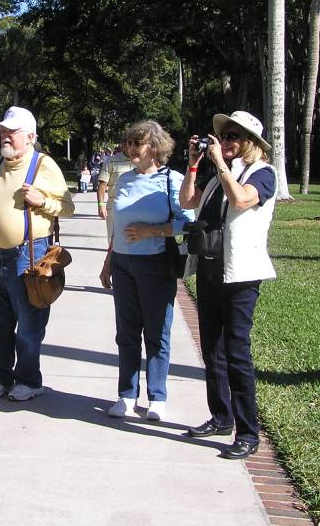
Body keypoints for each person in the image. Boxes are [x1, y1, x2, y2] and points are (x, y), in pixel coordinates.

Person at [179, 111, 277, 459]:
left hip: (240, 277)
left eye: (234, 136)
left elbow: (241, 200)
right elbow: (186, 201)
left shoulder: (263, 174)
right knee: (213, 352)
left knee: (237, 354)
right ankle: (221, 417)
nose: (226, 142)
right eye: (223, 136)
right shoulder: (217, 175)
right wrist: (193, 165)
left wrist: (220, 163)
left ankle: (248, 433)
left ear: (251, 142)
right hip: (210, 272)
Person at [99, 121, 194, 421]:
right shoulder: (124, 180)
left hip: (155, 264)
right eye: (128, 143)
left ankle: (157, 397)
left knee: (156, 332)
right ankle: (126, 396)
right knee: (126, 333)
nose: (130, 149)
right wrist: (109, 260)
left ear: (154, 147)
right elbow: (118, 226)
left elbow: (187, 223)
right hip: (123, 264)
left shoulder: (171, 180)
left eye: (136, 144)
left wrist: (152, 231)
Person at [0, 106, 75, 401]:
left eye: (12, 132)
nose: (5, 136)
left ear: (31, 136)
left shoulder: (43, 164)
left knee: (29, 324)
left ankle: (29, 381)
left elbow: (68, 207)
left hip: (28, 255)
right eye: (3, 131)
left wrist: (42, 201)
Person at [96, 142, 134, 243]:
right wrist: (100, 205)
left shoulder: (140, 161)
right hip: (114, 208)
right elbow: (102, 184)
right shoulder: (111, 161)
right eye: (130, 143)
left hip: (135, 208)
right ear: (123, 145)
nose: (133, 146)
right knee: (113, 242)